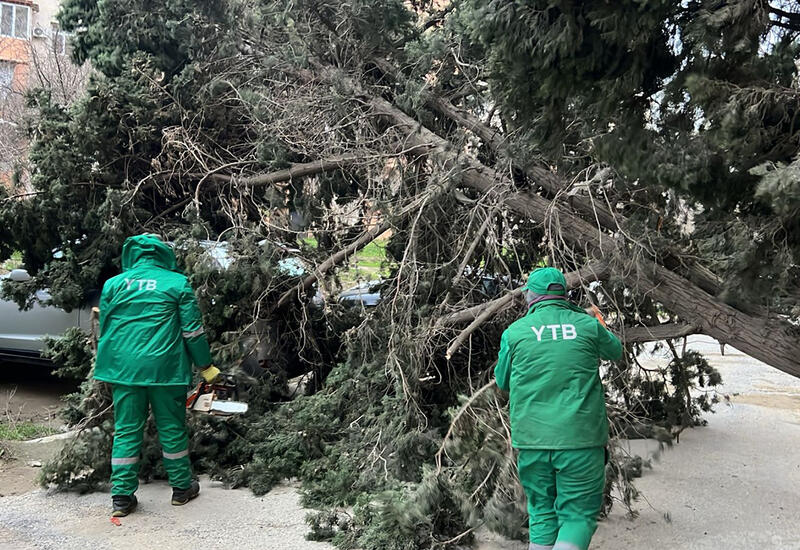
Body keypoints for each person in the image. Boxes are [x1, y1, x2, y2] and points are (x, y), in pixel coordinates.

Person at [494, 267, 623, 550]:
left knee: (541, 512)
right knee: (577, 516)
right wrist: (598, 321)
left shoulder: (515, 333)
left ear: (531, 296)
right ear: (565, 295)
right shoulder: (587, 326)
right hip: (581, 439)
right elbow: (617, 352)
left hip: (533, 441)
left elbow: (502, 381)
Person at [95, 234, 220, 517]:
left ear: (132, 254)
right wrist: (205, 366)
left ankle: (122, 498)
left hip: (124, 371)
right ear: (164, 254)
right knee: (172, 428)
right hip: (166, 369)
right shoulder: (176, 283)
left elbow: (107, 329)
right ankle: (181, 489)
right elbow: (192, 331)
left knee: (126, 429)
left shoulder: (113, 285)